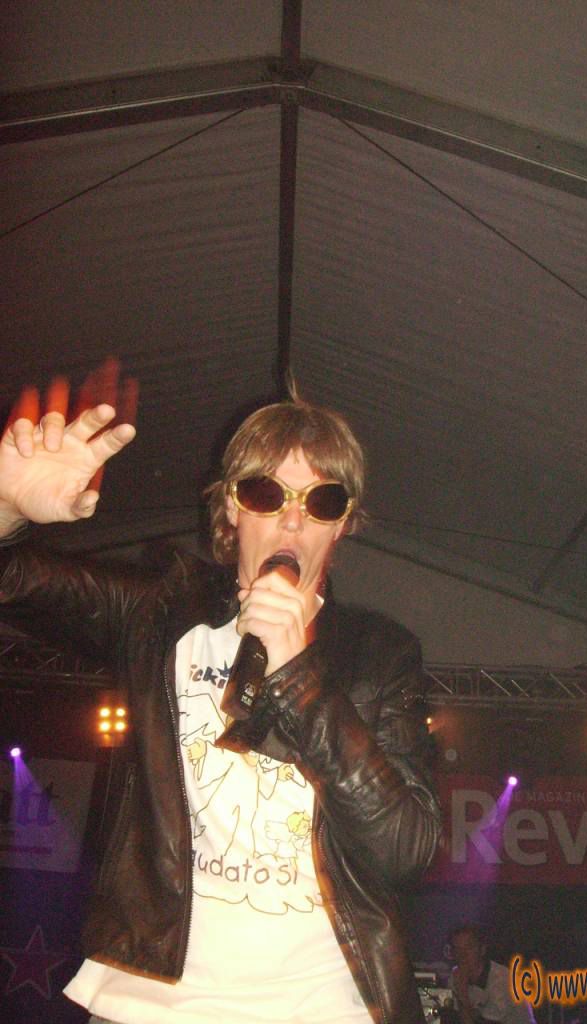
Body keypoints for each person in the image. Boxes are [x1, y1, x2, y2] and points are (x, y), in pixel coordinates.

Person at [0, 381, 441, 1024]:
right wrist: (5, 510)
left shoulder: (380, 656)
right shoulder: (159, 613)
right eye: (267, 494)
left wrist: (298, 675)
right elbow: (13, 582)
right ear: (232, 507)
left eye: (322, 500)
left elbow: (407, 850)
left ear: (343, 523)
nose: (293, 520)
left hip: (323, 1006)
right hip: (149, 1004)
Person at [447, 924, 536, 1024]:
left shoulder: (502, 979)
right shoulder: (455, 976)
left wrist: (462, 994)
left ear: (482, 950)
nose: (462, 954)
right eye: (457, 949)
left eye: (469, 947)